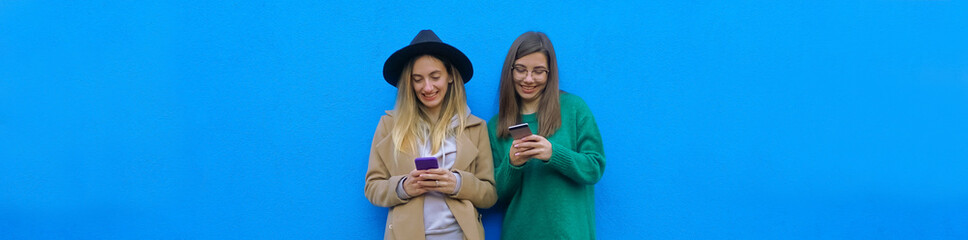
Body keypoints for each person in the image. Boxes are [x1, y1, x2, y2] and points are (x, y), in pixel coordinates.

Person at [365, 30, 497, 240]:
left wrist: (457, 183)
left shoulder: (475, 127)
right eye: (418, 79)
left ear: (451, 76)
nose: (427, 87)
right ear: (409, 82)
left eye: (435, 77)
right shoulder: (389, 125)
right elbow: (372, 187)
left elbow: (489, 194)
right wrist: (403, 187)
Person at [487, 31, 606, 239]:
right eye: (521, 70)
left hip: (570, 233)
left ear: (550, 73)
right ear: (510, 71)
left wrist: (553, 153)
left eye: (539, 71)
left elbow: (595, 168)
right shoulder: (497, 126)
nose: (529, 79)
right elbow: (495, 195)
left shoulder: (574, 109)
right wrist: (512, 164)